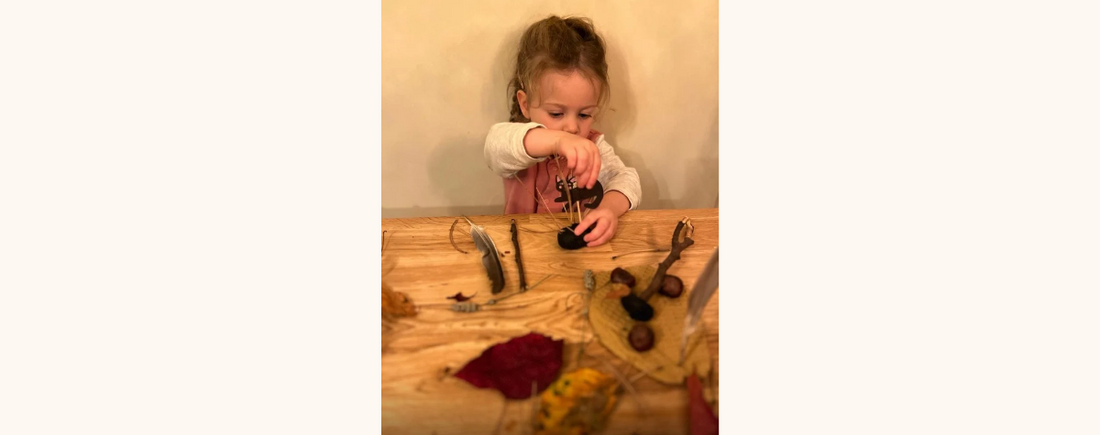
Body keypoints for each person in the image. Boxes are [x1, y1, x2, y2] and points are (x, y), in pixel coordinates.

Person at [483, 15, 641, 247]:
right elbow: (494, 148)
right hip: (521, 246)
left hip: (578, 250)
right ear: (525, 104)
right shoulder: (516, 141)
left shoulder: (593, 145)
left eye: (584, 114)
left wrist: (608, 209)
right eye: (556, 114)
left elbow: (628, 179)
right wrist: (556, 141)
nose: (572, 128)